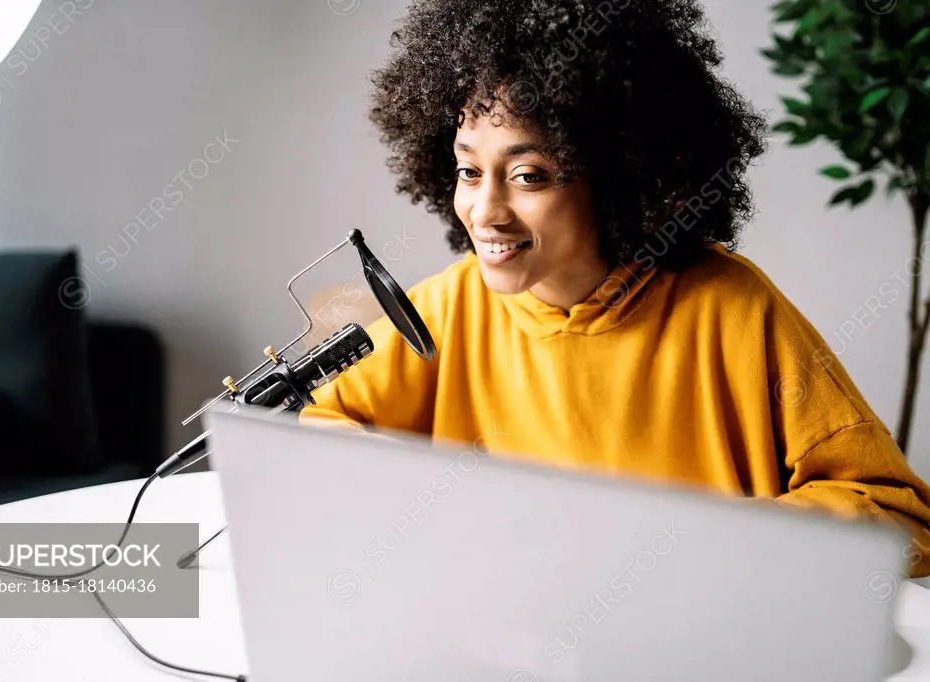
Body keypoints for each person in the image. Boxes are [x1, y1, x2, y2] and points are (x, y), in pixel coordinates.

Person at [300, 0, 930, 578]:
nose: (485, 209)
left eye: (528, 175)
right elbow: (317, 429)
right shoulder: (448, 306)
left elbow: (899, 518)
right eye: (468, 170)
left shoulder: (731, 306)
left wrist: (722, 543)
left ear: (617, 177)